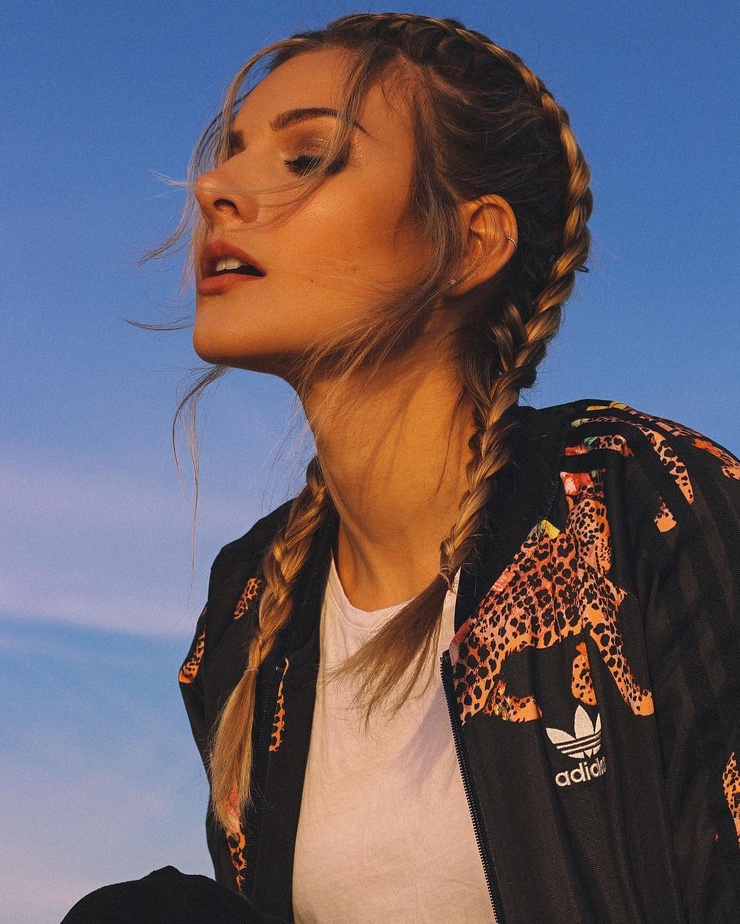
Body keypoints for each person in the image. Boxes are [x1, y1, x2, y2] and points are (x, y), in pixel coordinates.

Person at [63, 12, 740, 924]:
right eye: (229, 154)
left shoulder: (640, 502)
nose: (214, 188)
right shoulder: (249, 609)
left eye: (307, 158)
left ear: (471, 243)